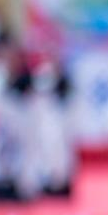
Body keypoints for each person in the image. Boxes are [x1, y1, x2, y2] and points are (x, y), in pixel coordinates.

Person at [0, 45, 45, 203]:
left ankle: (22, 186)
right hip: (1, 125)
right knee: (0, 157)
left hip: (19, 125)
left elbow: (31, 100)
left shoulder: (23, 73)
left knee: (23, 157)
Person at [33, 56, 80, 197]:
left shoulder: (67, 80)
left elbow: (74, 102)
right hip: (45, 123)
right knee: (47, 151)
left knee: (63, 153)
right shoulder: (42, 77)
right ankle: (48, 182)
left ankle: (63, 182)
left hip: (63, 124)